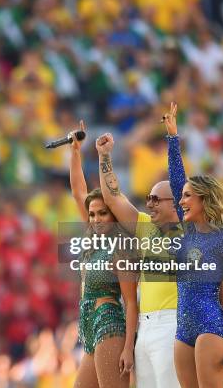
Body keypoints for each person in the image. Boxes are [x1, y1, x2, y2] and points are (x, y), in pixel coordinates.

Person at [93, 103, 183, 388]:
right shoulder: (144, 226)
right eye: (149, 199)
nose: (150, 204)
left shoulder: (189, 230)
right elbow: (112, 197)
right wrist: (104, 157)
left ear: (177, 204)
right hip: (144, 327)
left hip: (173, 324)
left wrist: (172, 138)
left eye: (157, 200)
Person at [163, 104, 223, 388]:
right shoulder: (187, 231)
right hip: (182, 329)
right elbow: (175, 181)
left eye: (188, 197)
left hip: (211, 325)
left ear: (204, 201)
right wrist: (173, 137)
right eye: (182, 196)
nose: (181, 201)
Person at [69, 120, 138, 388]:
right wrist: (75, 151)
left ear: (114, 216)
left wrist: (128, 347)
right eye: (93, 214)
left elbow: (130, 301)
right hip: (88, 326)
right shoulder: (91, 236)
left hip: (108, 322)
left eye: (103, 213)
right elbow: (78, 193)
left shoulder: (121, 247)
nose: (96, 219)